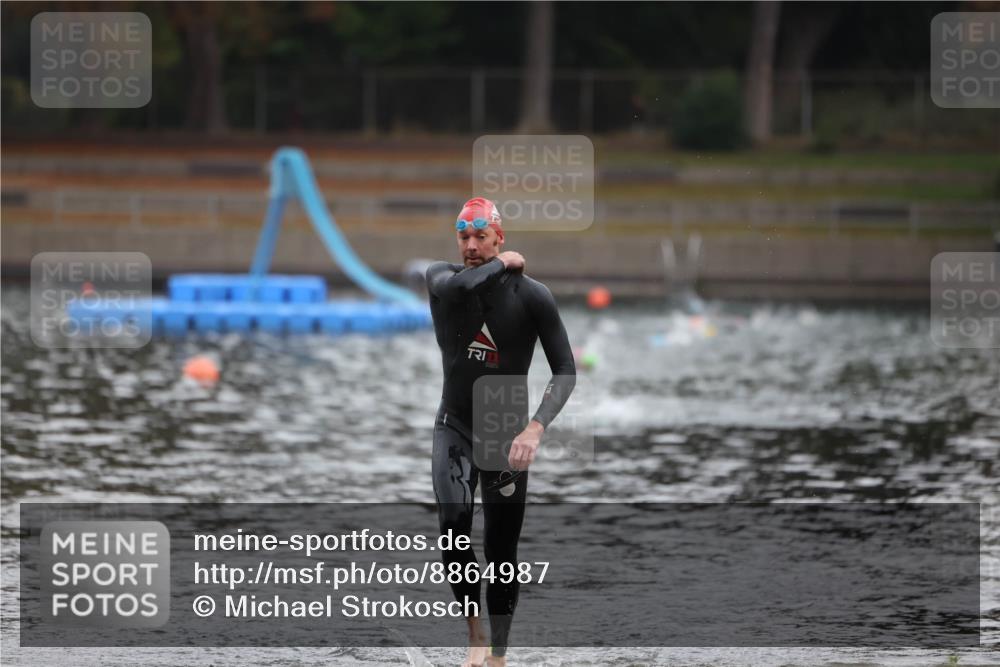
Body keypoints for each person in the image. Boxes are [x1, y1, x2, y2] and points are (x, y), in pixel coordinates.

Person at [425, 197, 576, 667]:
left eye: (481, 237)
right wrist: (504, 262)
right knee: (453, 526)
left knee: (501, 549)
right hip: (454, 426)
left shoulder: (533, 297)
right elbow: (465, 285)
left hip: (505, 434)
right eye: (463, 237)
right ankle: (474, 635)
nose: (471, 246)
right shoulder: (441, 279)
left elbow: (565, 370)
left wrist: (535, 428)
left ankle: (498, 654)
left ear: (498, 236)